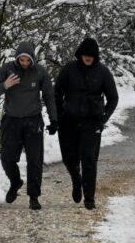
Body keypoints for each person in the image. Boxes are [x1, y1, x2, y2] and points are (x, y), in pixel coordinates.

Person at [0, 41, 58, 210]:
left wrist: (54, 120)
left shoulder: (40, 72)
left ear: (32, 59)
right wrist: (6, 85)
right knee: (7, 157)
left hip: (33, 120)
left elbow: (49, 96)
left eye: (28, 60)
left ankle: (34, 197)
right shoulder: (7, 69)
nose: (25, 63)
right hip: (11, 120)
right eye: (22, 60)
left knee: (35, 160)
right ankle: (15, 182)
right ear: (17, 59)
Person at [54, 37, 118, 210]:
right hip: (68, 121)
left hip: (92, 123)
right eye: (85, 54)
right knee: (69, 158)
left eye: (91, 55)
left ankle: (89, 197)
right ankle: (76, 179)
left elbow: (113, 98)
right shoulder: (69, 69)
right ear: (80, 54)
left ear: (95, 56)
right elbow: (56, 93)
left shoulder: (103, 72)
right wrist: (58, 115)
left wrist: (102, 118)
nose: (88, 57)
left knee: (89, 160)